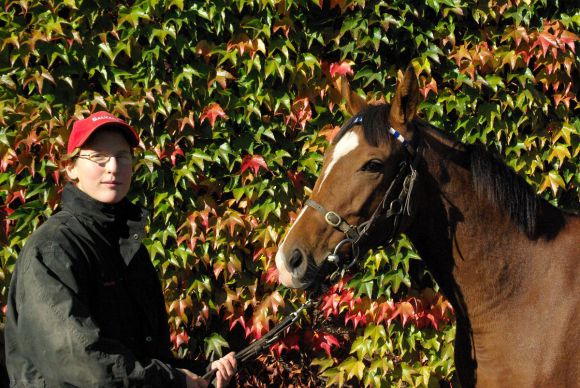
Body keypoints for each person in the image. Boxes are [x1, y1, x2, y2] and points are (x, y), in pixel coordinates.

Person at [4, 111, 237, 387]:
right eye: (98, 157)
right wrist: (173, 381)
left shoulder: (130, 246)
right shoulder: (52, 250)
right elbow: (82, 361)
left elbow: (142, 358)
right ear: (71, 169)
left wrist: (202, 372)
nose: (113, 167)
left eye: (122, 156)